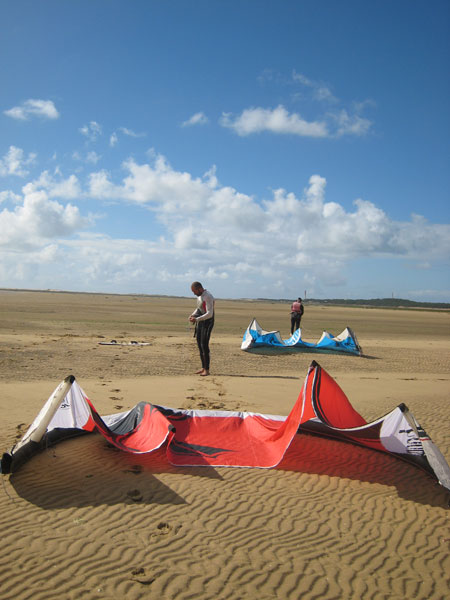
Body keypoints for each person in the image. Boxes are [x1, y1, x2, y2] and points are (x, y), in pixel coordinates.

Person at [189, 281, 215, 376]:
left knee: (204, 345)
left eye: (194, 291)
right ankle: (203, 367)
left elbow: (209, 313)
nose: (194, 293)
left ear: (199, 289)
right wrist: (193, 315)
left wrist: (197, 319)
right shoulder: (200, 296)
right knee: (199, 344)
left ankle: (207, 370)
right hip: (200, 321)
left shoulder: (208, 296)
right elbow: (199, 308)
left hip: (208, 322)